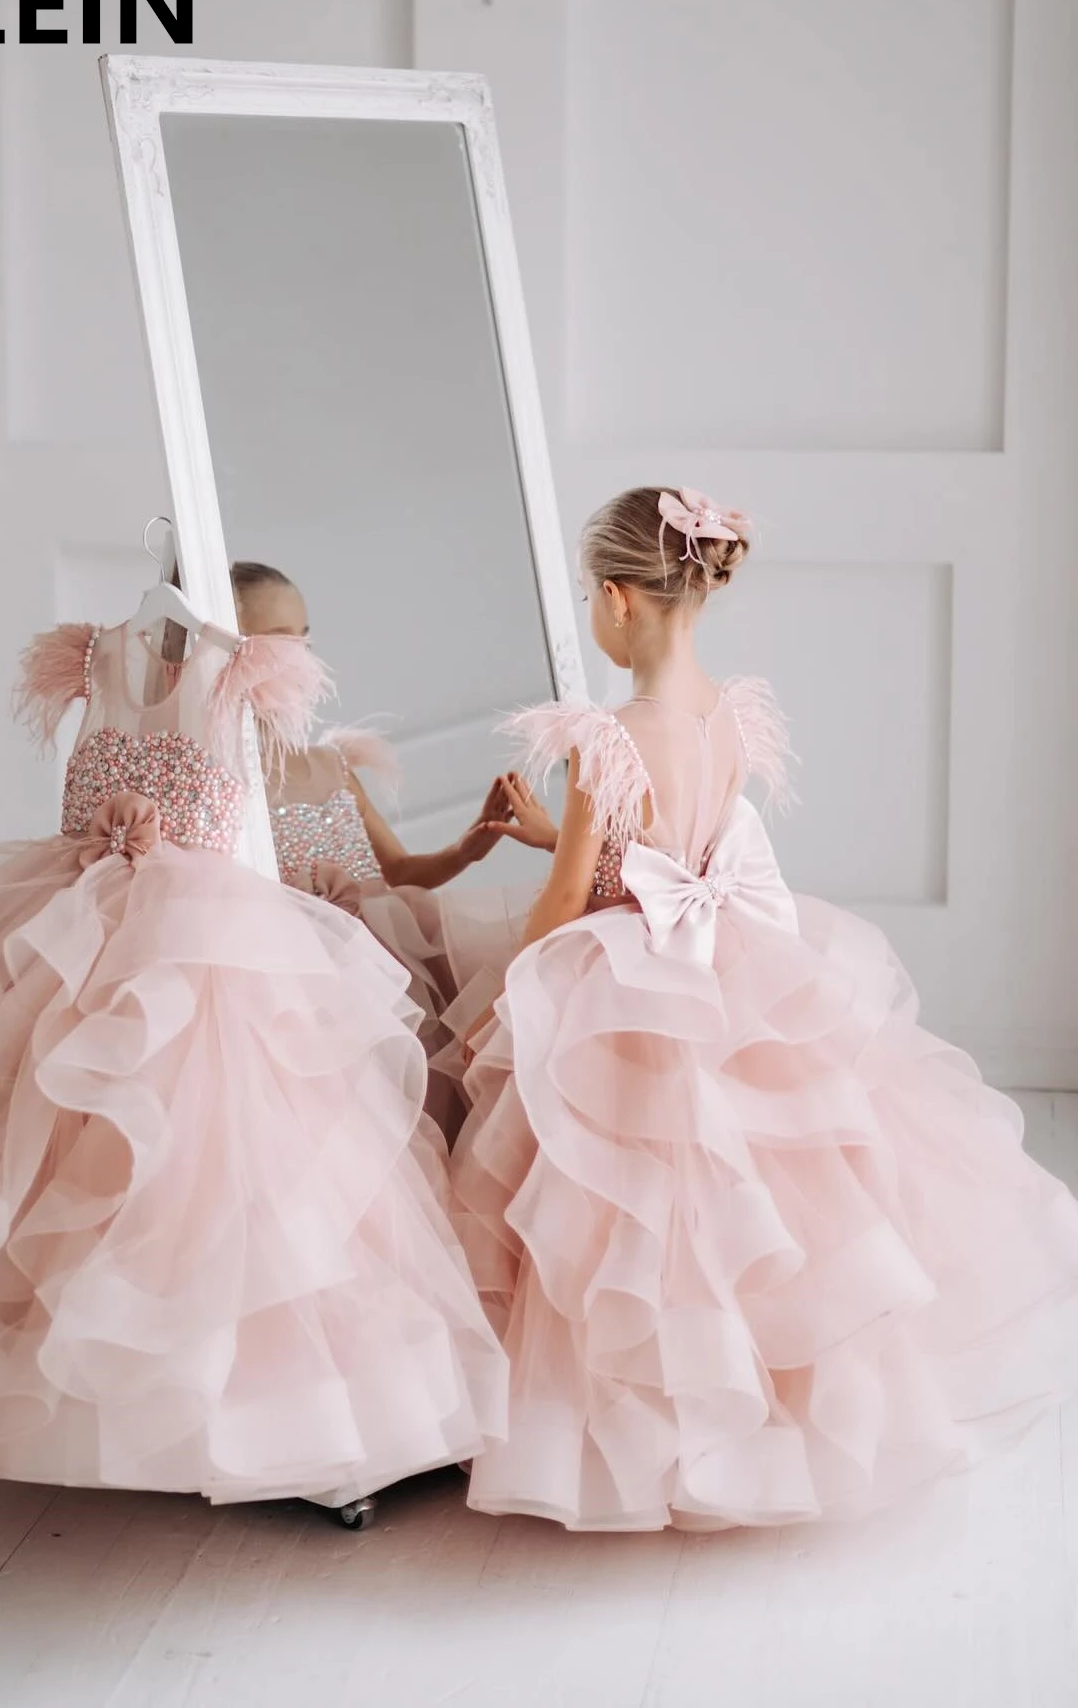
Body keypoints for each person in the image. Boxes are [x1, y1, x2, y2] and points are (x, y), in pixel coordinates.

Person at [0, 611, 506, 1513]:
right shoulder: (92, 659)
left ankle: (264, 1408)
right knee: (54, 1148)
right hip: (79, 926)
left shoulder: (238, 677)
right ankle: (70, 1383)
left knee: (224, 1155)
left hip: (203, 936)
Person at [451, 485, 1078, 1530]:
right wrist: (543, 835)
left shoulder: (604, 736)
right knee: (754, 1196)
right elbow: (665, 854)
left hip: (635, 972)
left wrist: (521, 982)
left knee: (630, 1203)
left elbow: (578, 895)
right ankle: (762, 1412)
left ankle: (626, 1433)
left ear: (616, 601)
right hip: (726, 961)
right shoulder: (731, 718)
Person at [231, 560, 511, 1145]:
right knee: (353, 1123)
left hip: (387, 961)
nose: (300, 657)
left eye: (305, 639)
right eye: (280, 642)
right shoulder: (228, 778)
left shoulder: (331, 764)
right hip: (308, 977)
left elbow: (400, 870)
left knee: (422, 1097)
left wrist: (469, 848)